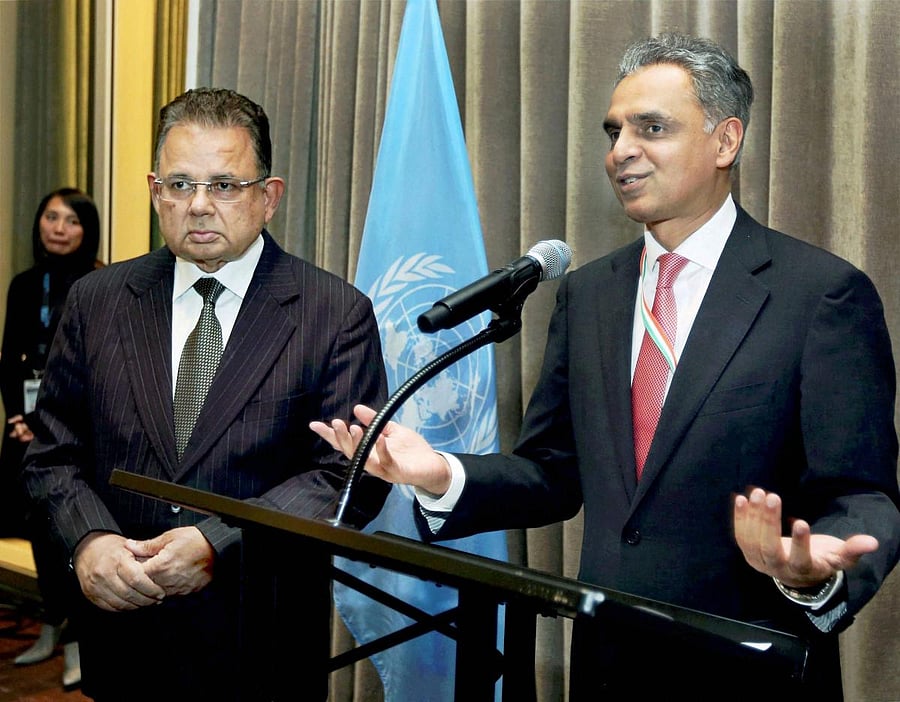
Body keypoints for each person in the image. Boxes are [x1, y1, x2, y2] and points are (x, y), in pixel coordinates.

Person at [312, 33, 900, 700]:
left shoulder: (818, 293)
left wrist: (813, 572)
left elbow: (860, 494)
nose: (620, 150)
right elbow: (552, 473)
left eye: (652, 128)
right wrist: (440, 474)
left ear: (725, 141)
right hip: (606, 667)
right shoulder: (588, 293)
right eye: (614, 130)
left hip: (748, 673)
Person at [22, 88, 391, 702]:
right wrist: (88, 541)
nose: (199, 206)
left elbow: (347, 475)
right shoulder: (97, 302)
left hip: (259, 643)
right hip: (125, 643)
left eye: (224, 185)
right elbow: (53, 454)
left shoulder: (333, 313)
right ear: (153, 190)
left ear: (267, 197)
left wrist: (219, 543)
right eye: (180, 184)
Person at [0, 187, 101, 688]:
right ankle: (48, 626)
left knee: (74, 533)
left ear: (88, 230)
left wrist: (49, 422)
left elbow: (98, 371)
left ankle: (80, 641)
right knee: (38, 534)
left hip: (74, 433)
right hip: (26, 429)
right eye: (50, 217)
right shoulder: (24, 283)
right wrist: (17, 417)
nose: (58, 228)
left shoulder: (99, 283)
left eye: (71, 220)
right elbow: (9, 357)